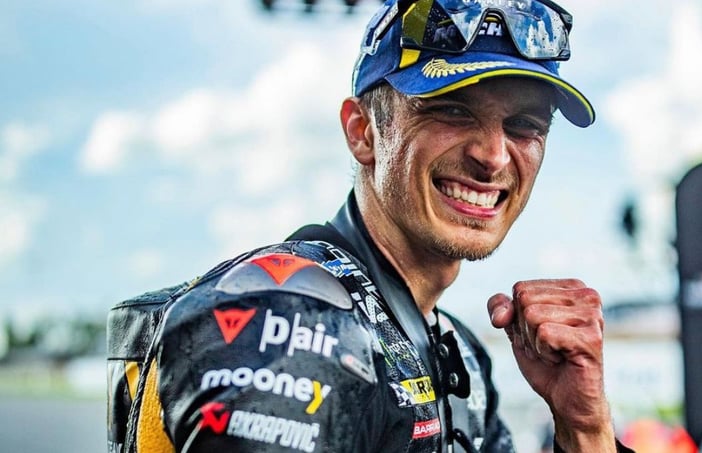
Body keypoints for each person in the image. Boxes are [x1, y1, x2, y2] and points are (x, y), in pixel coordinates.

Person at [106, 0, 633, 451]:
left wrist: (584, 427)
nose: (493, 156)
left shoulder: (460, 351)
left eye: (524, 126)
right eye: (452, 111)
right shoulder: (290, 324)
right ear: (362, 132)